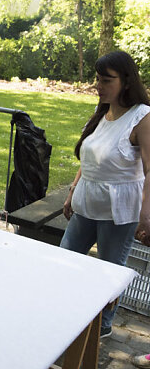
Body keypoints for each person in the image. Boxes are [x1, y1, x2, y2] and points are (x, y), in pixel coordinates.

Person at [60, 51, 150, 339]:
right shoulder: (102, 112)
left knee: (109, 271)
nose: (98, 86)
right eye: (97, 79)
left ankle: (103, 325)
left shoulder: (142, 117)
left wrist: (145, 214)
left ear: (126, 81)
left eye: (106, 80)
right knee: (64, 259)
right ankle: (64, 312)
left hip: (119, 211)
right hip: (86, 203)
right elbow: (89, 158)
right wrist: (72, 191)